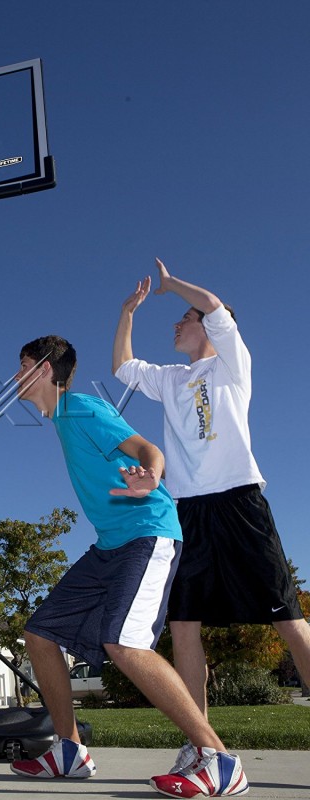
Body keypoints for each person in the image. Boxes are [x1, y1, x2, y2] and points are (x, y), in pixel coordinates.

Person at [9, 335, 248, 798]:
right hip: (110, 547)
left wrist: (151, 478)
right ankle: (69, 751)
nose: (15, 375)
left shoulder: (80, 408)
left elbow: (146, 449)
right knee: (39, 634)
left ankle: (219, 761)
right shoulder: (62, 420)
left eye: (21, 365)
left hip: (147, 533)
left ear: (43, 369)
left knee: (124, 642)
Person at [113, 258, 310, 718]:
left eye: (184, 318)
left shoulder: (231, 365)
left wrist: (170, 285)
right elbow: (123, 366)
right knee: (182, 624)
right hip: (188, 511)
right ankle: (202, 745)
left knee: (288, 618)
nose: (177, 324)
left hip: (240, 501)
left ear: (209, 329)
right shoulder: (171, 378)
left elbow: (213, 304)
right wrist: (128, 312)